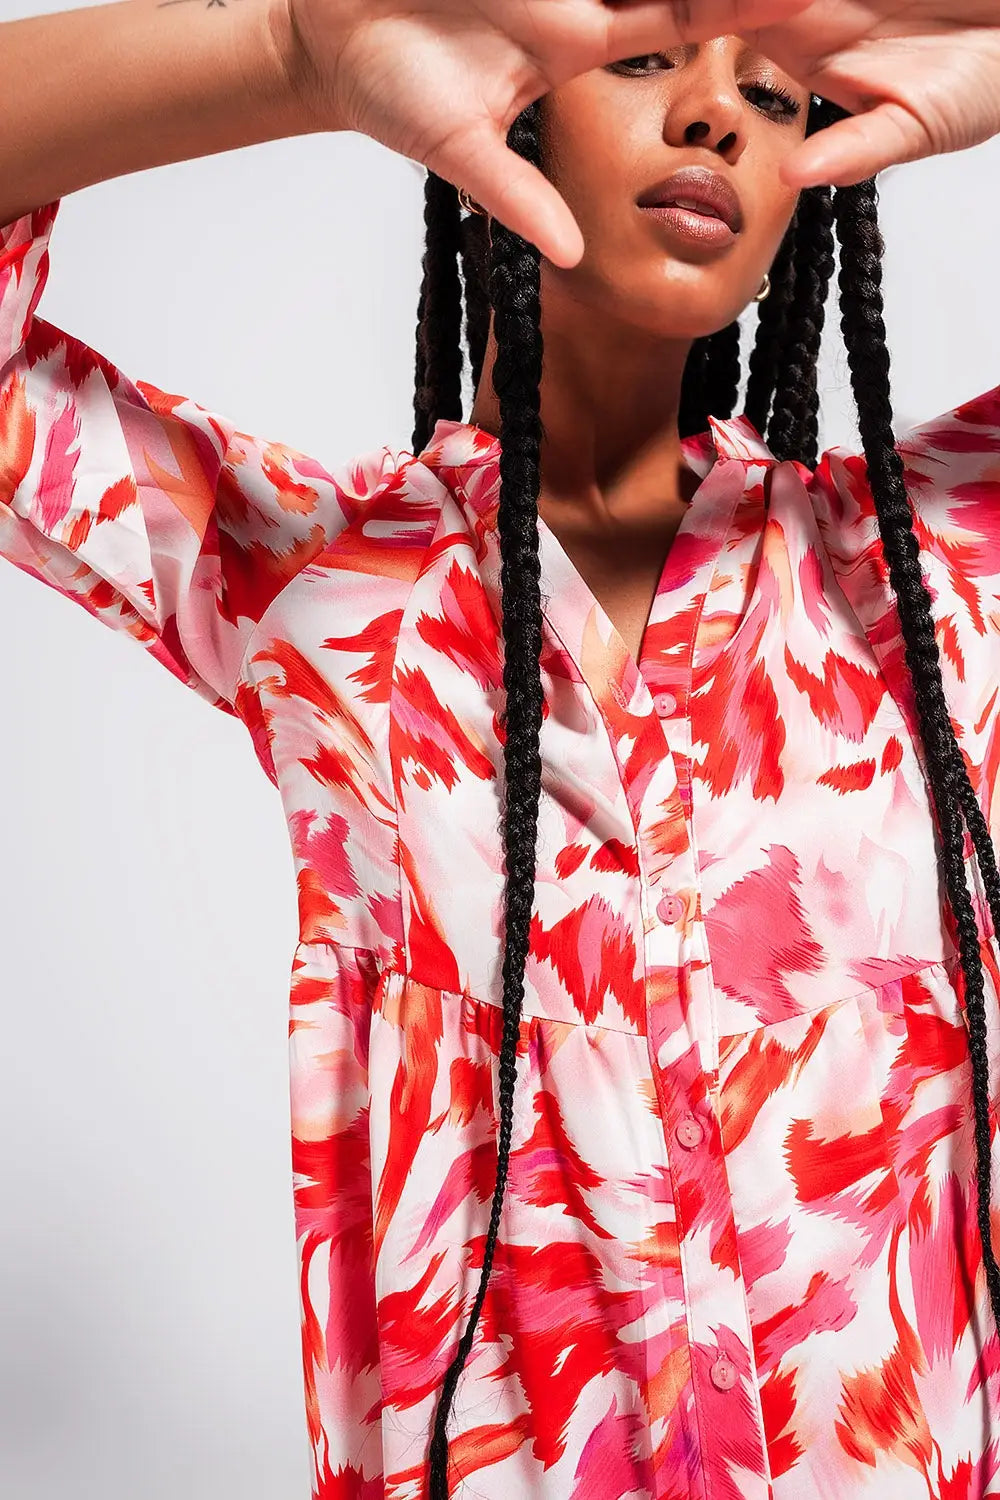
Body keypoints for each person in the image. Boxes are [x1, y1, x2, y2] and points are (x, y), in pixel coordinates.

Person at [3, 0, 1000, 1495]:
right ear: (508, 98)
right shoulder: (325, 587)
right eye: (649, 56)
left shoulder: (937, 565)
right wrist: (295, 52)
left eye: (779, 97)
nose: (717, 116)